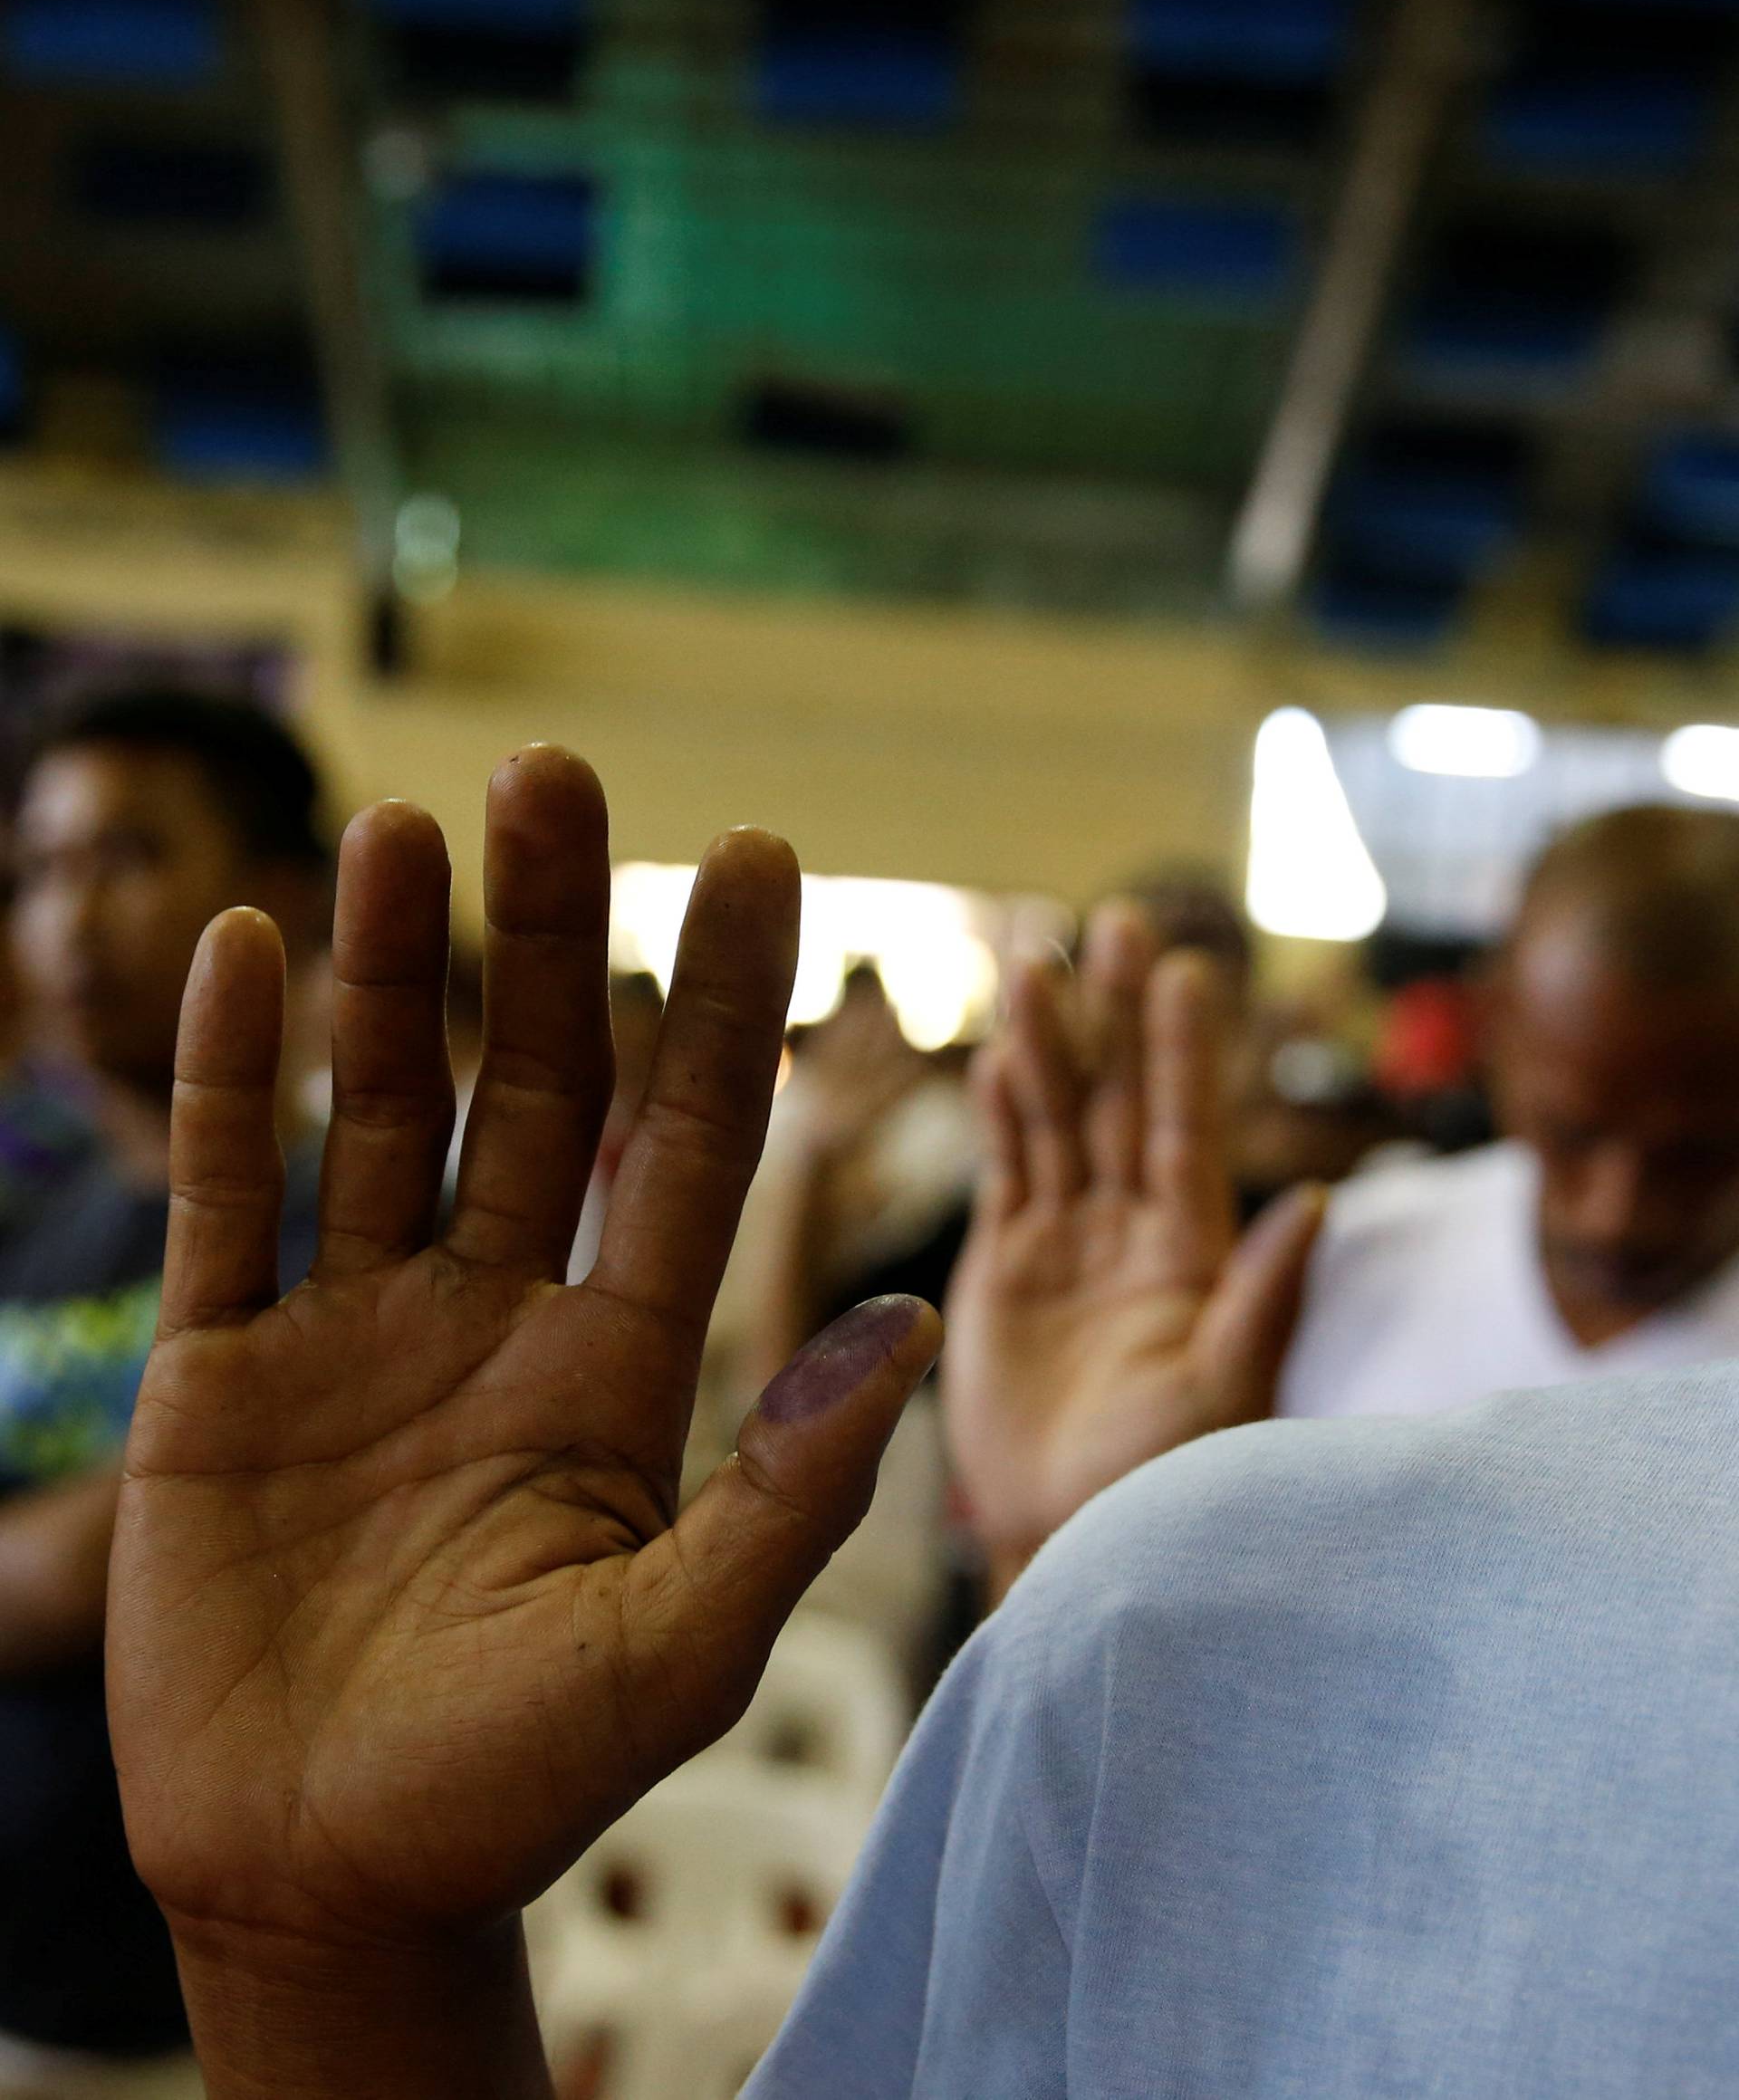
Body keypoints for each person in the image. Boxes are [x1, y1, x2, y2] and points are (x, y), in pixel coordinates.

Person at [104, 748, 1739, 2097]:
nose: (1617, 1204)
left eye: (1697, 1149)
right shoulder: (1346, 1262)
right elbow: (1145, 1894)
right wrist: (1096, 1581)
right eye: (1583, 1129)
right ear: (1507, 1034)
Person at [0, 688, 333, 2091]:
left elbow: (121, 1564)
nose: (70, 923)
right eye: (40, 871)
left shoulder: (354, 1236)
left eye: (129, 859)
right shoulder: (37, 1205)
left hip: (195, 2022)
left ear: (280, 898)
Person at [1280, 803, 1739, 1418]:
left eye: (1698, 1154)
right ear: (1492, 1030)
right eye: (1569, 1134)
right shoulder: (1347, 1270)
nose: (1614, 1216)